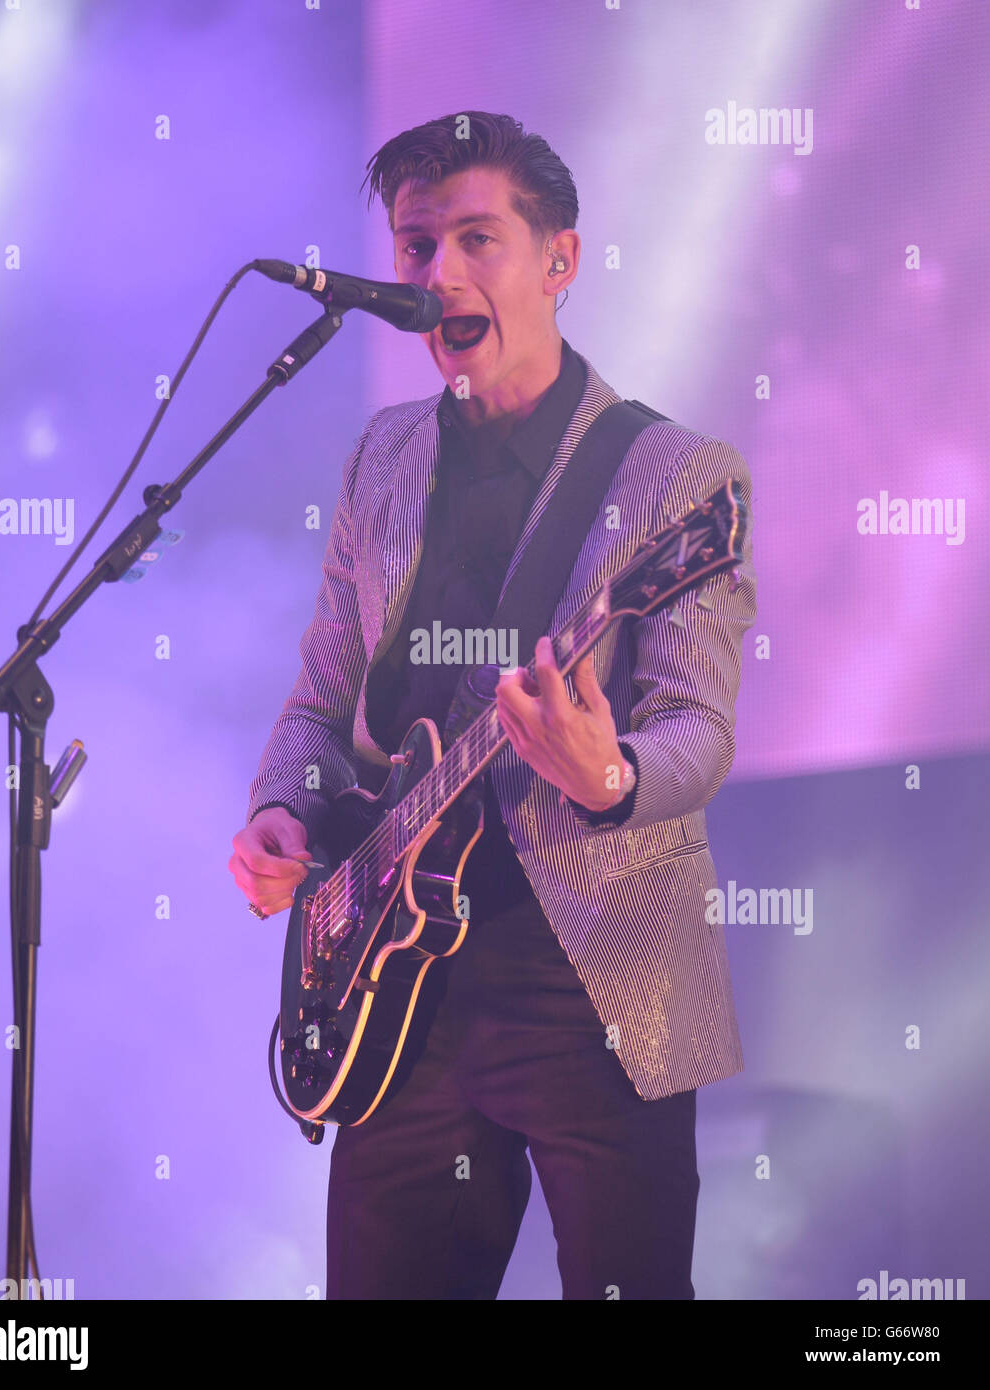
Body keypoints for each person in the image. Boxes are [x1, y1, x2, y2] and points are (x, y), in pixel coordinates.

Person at [227, 111, 756, 1300]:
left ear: (560, 259)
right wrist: (285, 809)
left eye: (478, 238)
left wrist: (603, 772)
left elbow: (696, 727)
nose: (440, 275)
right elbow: (323, 697)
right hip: (398, 985)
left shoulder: (675, 478)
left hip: (591, 979)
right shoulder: (385, 454)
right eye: (417, 247)